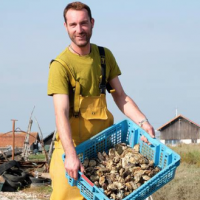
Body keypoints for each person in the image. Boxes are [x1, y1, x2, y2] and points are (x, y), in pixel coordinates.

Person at [47, 2, 155, 200]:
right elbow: (60, 112)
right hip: (71, 149)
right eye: (73, 25)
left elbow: (120, 96)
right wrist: (71, 156)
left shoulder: (104, 57)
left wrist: (143, 121)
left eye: (83, 23)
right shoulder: (60, 65)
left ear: (92, 23)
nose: (79, 30)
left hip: (102, 151)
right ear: (65, 27)